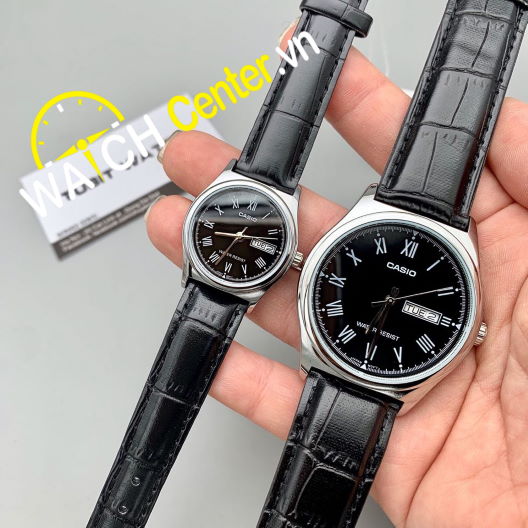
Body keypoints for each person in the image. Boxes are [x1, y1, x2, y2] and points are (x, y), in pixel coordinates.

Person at [144, 30, 528, 528]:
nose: (391, 297)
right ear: (310, 264)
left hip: (383, 376)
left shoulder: (449, 311)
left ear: (473, 330)